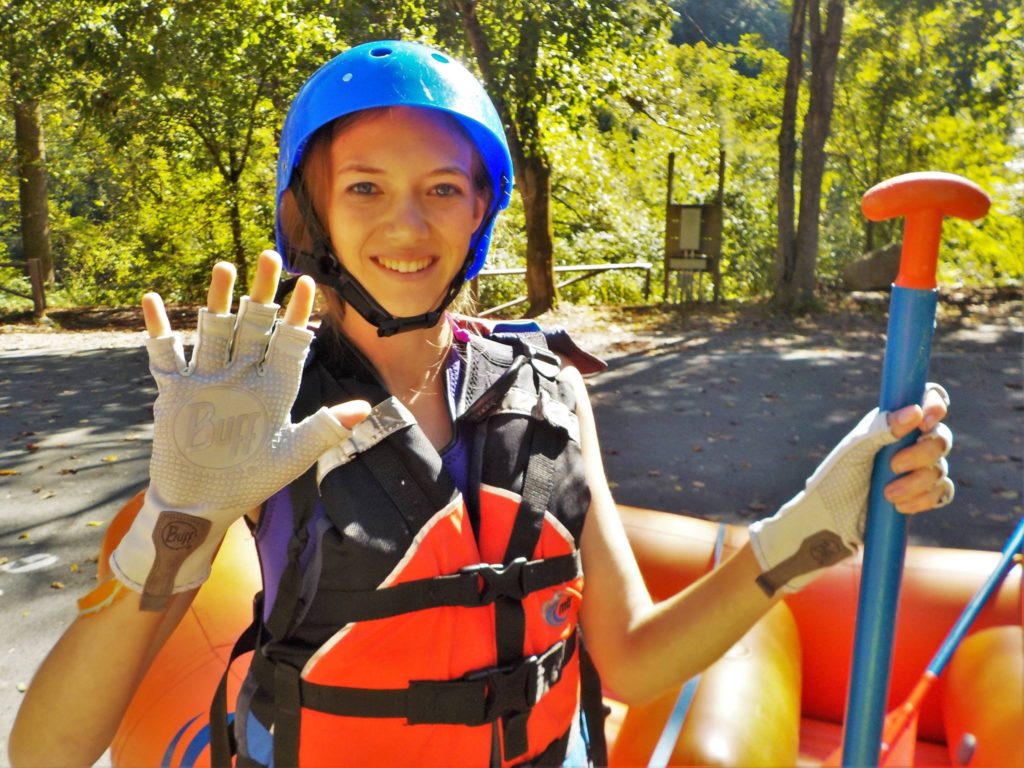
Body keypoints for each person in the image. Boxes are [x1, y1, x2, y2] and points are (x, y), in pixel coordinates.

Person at [8, 40, 955, 768]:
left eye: (442, 189)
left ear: (479, 211)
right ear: (313, 214)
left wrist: (811, 530)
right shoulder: (256, 411)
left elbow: (629, 661)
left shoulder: (551, 393)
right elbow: (44, 750)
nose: (406, 224)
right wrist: (173, 527)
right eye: (366, 187)